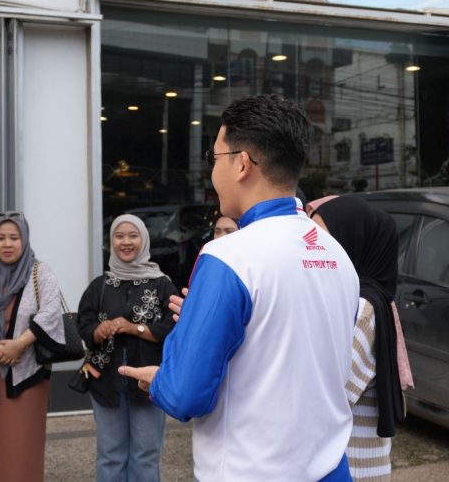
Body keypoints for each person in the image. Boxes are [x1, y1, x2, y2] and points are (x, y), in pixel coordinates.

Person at [120, 94, 360, 481]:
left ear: (242, 163)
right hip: (330, 468)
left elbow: (185, 394)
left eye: (214, 158)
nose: (211, 174)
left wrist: (161, 378)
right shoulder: (337, 256)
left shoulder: (229, 256)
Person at [310, 196, 412, 482]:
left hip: (355, 465)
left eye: (324, 240)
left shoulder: (365, 307)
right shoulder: (343, 298)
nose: (315, 249)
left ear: (353, 245)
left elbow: (333, 392)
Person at [0, 211, 66, 482]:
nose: (7, 244)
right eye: (0, 238)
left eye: (14, 238)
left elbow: (51, 313)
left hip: (27, 375)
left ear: (25, 239)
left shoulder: (41, 273)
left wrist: (19, 345)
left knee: (22, 446)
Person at [77, 214, 177, 482]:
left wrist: (135, 328)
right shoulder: (100, 286)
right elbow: (83, 323)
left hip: (148, 383)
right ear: (111, 242)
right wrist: (97, 331)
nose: (126, 242)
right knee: (110, 454)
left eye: (133, 235)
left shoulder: (162, 284)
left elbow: (175, 326)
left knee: (146, 453)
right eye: (119, 236)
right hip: (106, 383)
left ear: (143, 239)